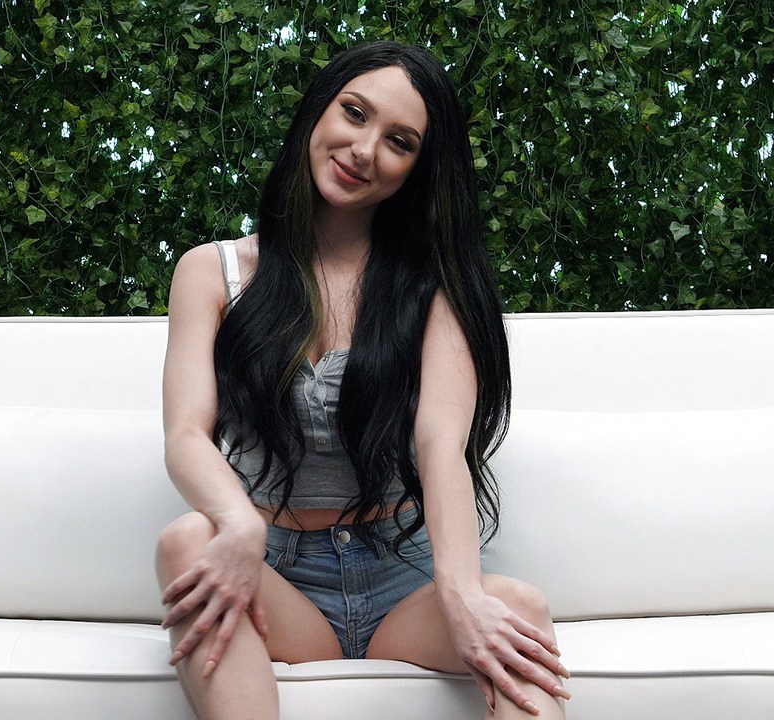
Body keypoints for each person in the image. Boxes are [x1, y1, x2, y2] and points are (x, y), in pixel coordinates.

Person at [156, 41, 571, 719]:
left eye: (399, 142)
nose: (364, 149)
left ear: (417, 169)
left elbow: (441, 445)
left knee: (518, 606)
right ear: (318, 111)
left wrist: (462, 593)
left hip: (400, 580)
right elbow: (184, 434)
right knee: (186, 540)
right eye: (354, 113)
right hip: (277, 580)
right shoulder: (212, 272)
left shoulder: (434, 286)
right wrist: (237, 522)